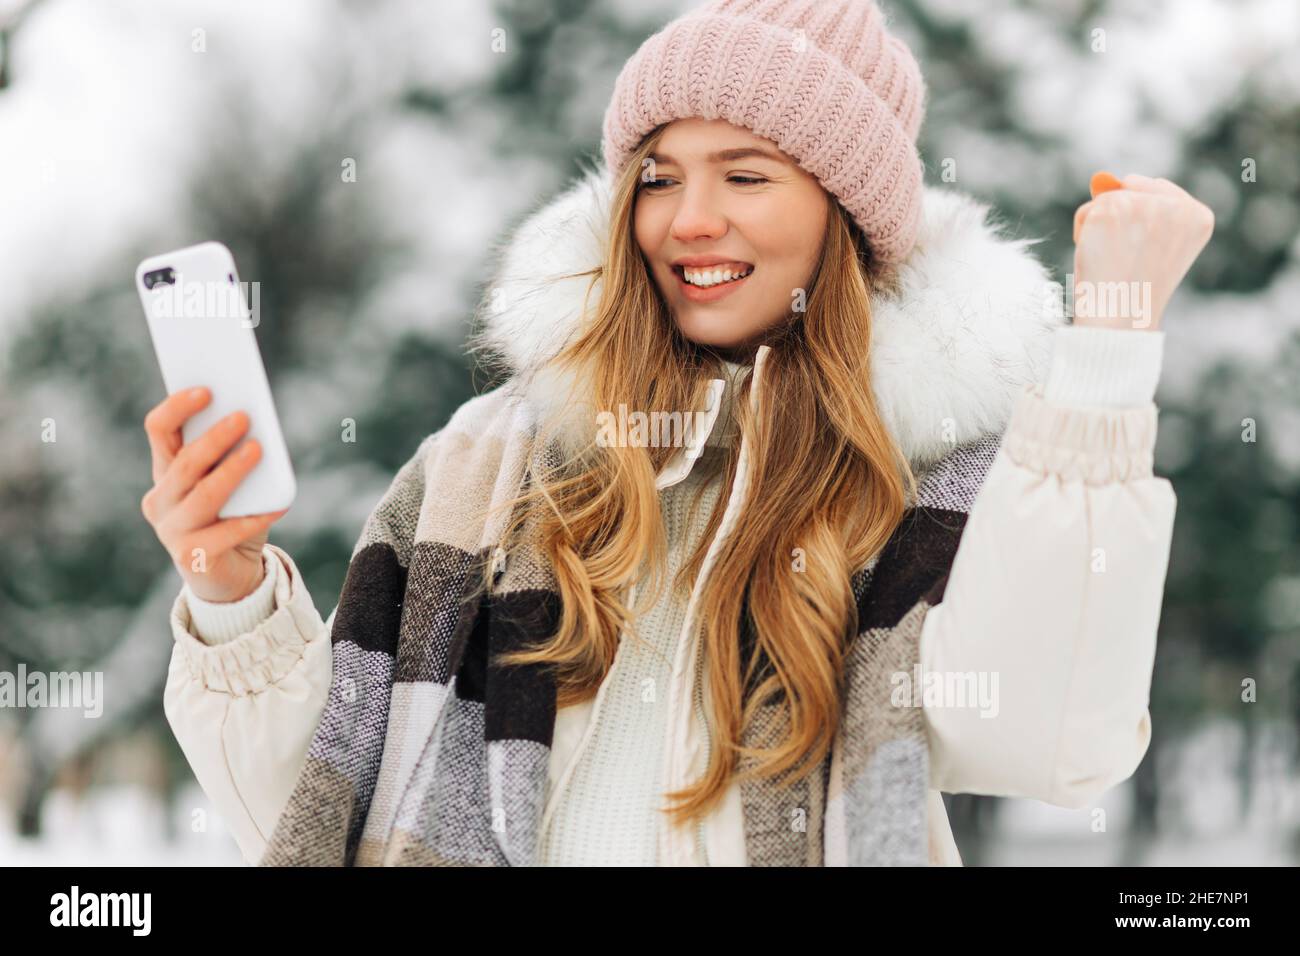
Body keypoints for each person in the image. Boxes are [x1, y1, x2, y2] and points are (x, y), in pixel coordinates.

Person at [140, 0, 1214, 866]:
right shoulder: (488, 465)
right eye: (657, 176)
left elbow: (1044, 735)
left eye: (745, 174)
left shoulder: (926, 477)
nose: (687, 216)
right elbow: (319, 810)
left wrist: (1104, 366)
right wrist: (229, 592)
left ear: (845, 219)